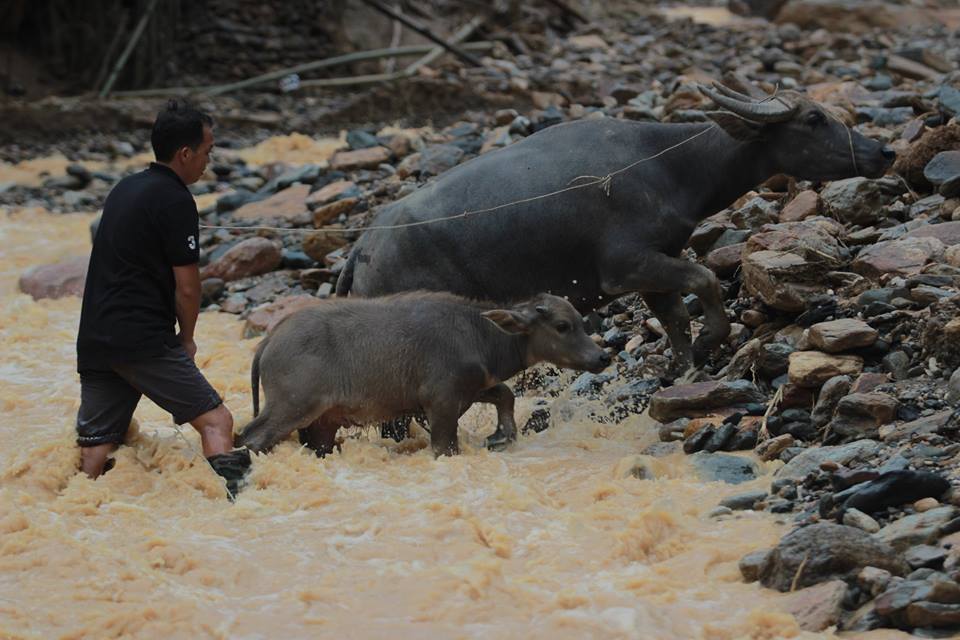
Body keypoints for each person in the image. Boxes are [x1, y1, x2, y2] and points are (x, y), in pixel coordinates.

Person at [75, 100, 249, 497]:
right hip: (142, 340)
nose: (209, 160)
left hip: (96, 338)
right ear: (184, 153)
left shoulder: (125, 188)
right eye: (207, 151)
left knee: (97, 444)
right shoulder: (175, 200)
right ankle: (235, 512)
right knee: (217, 421)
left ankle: (79, 514)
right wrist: (186, 339)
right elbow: (188, 286)